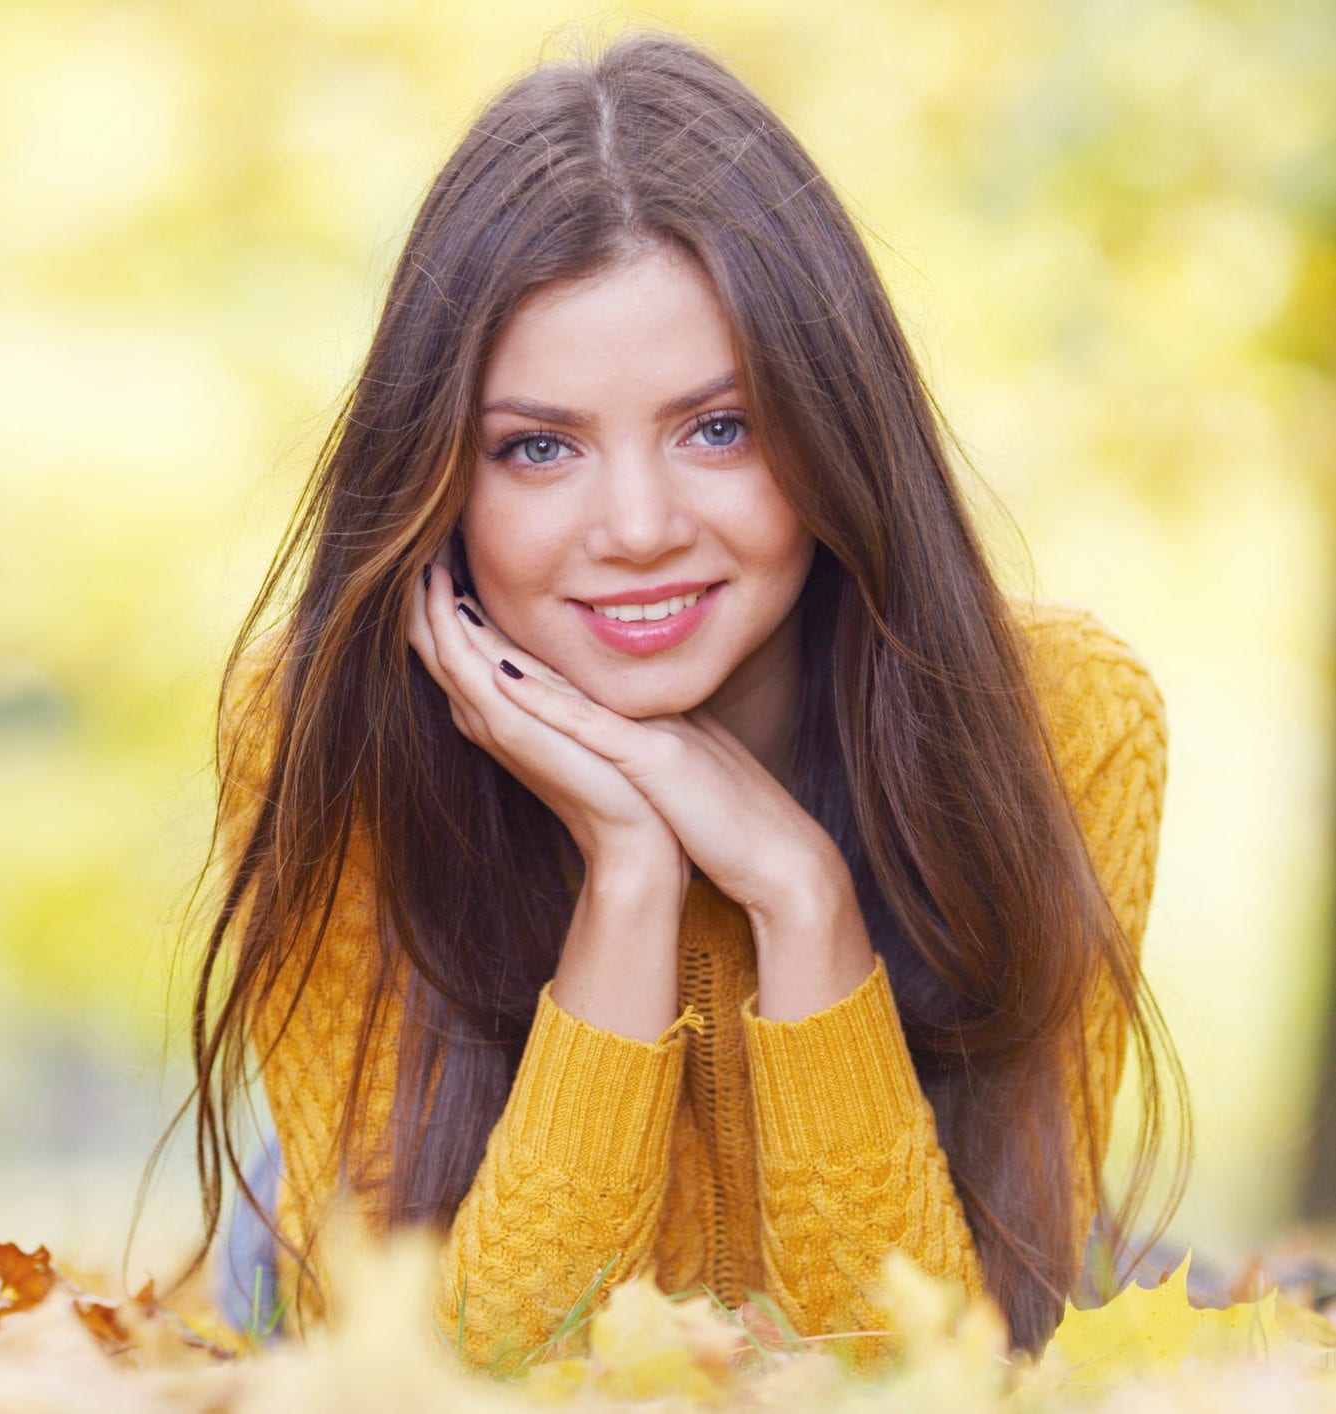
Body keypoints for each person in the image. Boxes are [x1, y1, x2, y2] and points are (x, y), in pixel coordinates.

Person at [154, 29, 1189, 1372]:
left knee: (1119, 1290)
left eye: (719, 426)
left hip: (986, 1267)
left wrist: (800, 898)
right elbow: (451, 1385)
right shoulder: (319, 723)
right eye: (536, 447)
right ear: (439, 481)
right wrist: (630, 880)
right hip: (339, 1270)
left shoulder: (1059, 720)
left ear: (832, 428)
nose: (636, 526)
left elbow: (925, 1378)